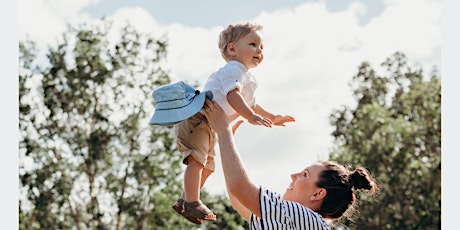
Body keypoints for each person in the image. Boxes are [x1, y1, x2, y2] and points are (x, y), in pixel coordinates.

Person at [172, 22, 295, 224]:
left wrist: (273, 117)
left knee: (208, 167)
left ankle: (185, 200)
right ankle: (192, 202)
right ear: (232, 48)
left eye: (262, 47)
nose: (259, 50)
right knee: (197, 161)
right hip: (199, 117)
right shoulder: (233, 70)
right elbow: (232, 96)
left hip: (210, 125)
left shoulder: (247, 78)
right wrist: (248, 116)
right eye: (253, 44)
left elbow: (252, 105)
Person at [201, 99, 377, 229]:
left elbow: (239, 188)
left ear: (318, 193)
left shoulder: (305, 217)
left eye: (304, 175)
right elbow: (238, 196)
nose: (293, 175)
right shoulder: (298, 222)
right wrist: (225, 140)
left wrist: (224, 132)